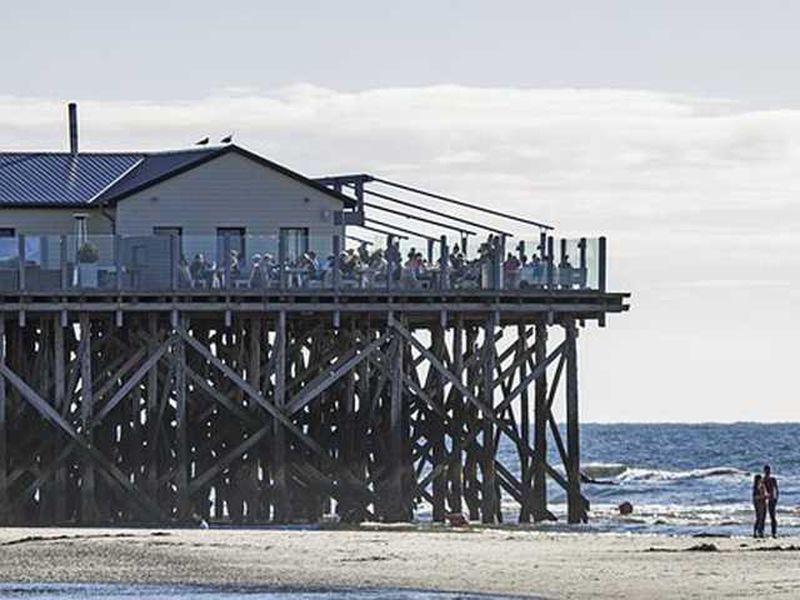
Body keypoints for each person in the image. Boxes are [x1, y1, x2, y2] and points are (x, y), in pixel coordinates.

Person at [763, 464, 779, 537]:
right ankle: (761, 531)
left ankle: (774, 532)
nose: (768, 472)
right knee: (762, 516)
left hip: (772, 499)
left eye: (769, 470)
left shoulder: (773, 479)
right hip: (764, 499)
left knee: (772, 516)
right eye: (767, 470)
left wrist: (776, 498)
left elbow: (776, 489)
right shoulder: (763, 480)